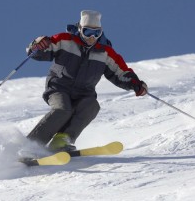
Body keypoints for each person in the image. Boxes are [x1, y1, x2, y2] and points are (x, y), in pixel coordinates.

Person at [26, 10, 147, 152]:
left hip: (84, 93)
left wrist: (135, 84)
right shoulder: (65, 40)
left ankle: (62, 140)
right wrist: (38, 45)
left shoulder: (105, 53)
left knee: (92, 106)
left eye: (96, 33)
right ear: (80, 29)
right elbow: (37, 51)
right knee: (62, 109)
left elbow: (121, 72)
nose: (92, 37)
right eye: (87, 31)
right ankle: (31, 145)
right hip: (59, 87)